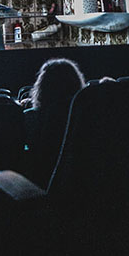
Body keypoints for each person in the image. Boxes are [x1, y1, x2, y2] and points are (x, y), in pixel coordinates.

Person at [25, 58, 86, 188]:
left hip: (44, 189)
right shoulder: (87, 116)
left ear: (42, 86)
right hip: (83, 188)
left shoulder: (32, 118)